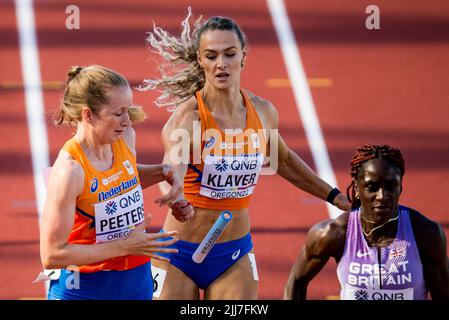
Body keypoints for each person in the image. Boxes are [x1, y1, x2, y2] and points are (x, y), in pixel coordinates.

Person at [140, 8, 351, 300]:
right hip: (178, 254)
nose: (221, 64)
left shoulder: (263, 112)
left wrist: (335, 197)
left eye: (229, 54)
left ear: (244, 56)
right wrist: (176, 195)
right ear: (200, 60)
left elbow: (285, 161)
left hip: (233, 253)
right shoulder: (189, 118)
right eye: (211, 56)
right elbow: (171, 165)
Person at [40, 65, 188, 300]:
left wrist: (163, 172)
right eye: (118, 113)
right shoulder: (70, 170)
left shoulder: (124, 138)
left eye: (128, 111)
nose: (128, 121)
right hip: (83, 289)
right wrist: (125, 246)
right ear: (88, 115)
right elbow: (52, 254)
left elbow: (119, 180)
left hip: (136, 282)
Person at [284, 144, 449, 300]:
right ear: (356, 188)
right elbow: (296, 282)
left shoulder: (425, 235)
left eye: (391, 186)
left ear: (401, 186)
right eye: (372, 187)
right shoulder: (334, 234)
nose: (382, 196)